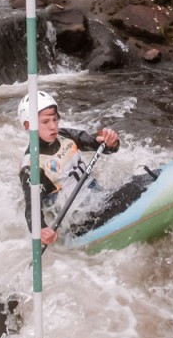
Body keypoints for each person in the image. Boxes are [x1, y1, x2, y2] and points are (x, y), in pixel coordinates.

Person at [19, 91, 119, 247]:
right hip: (80, 223)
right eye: (45, 121)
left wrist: (110, 141)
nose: (53, 126)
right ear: (28, 125)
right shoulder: (32, 166)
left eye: (55, 119)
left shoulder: (65, 135)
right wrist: (41, 230)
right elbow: (32, 208)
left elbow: (96, 142)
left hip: (100, 200)